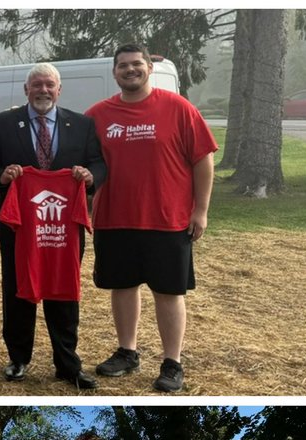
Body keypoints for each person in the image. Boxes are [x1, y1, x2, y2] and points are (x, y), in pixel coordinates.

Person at [86, 44, 218, 393]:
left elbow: (203, 159)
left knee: (169, 292)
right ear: (114, 72)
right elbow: (79, 160)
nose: (130, 70)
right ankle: (127, 352)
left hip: (168, 220)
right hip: (114, 219)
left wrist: (200, 210)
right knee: (123, 287)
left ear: (148, 68)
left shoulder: (178, 109)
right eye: (123, 66)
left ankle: (172, 362)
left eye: (136, 64)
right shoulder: (98, 115)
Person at [0, 62, 106, 388]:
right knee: (18, 293)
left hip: (63, 228)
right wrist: (0, 176)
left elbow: (98, 163)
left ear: (59, 90)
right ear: (26, 90)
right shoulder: (3, 123)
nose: (43, 90)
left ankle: (67, 364)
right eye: (37, 85)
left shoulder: (81, 125)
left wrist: (90, 178)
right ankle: (18, 359)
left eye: (49, 85)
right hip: (18, 226)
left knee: (64, 293)